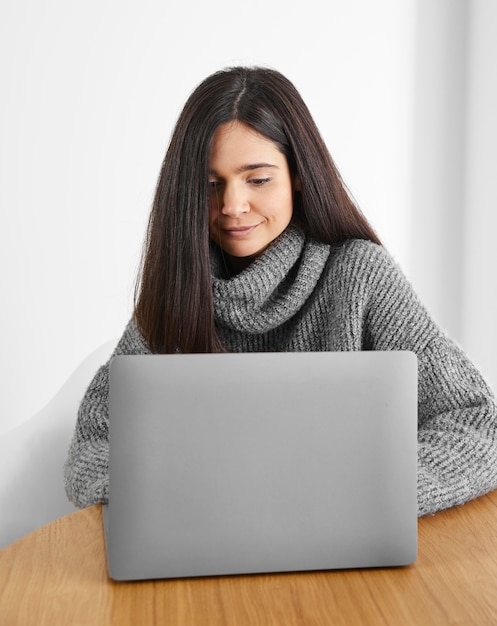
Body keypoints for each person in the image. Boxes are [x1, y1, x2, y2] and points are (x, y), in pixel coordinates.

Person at [64, 66, 497, 516]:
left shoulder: (361, 275)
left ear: (299, 176)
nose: (232, 205)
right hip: (206, 546)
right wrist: (170, 500)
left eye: (258, 179)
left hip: (341, 542)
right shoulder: (176, 291)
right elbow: (96, 439)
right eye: (212, 185)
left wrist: (363, 495)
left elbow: (480, 424)